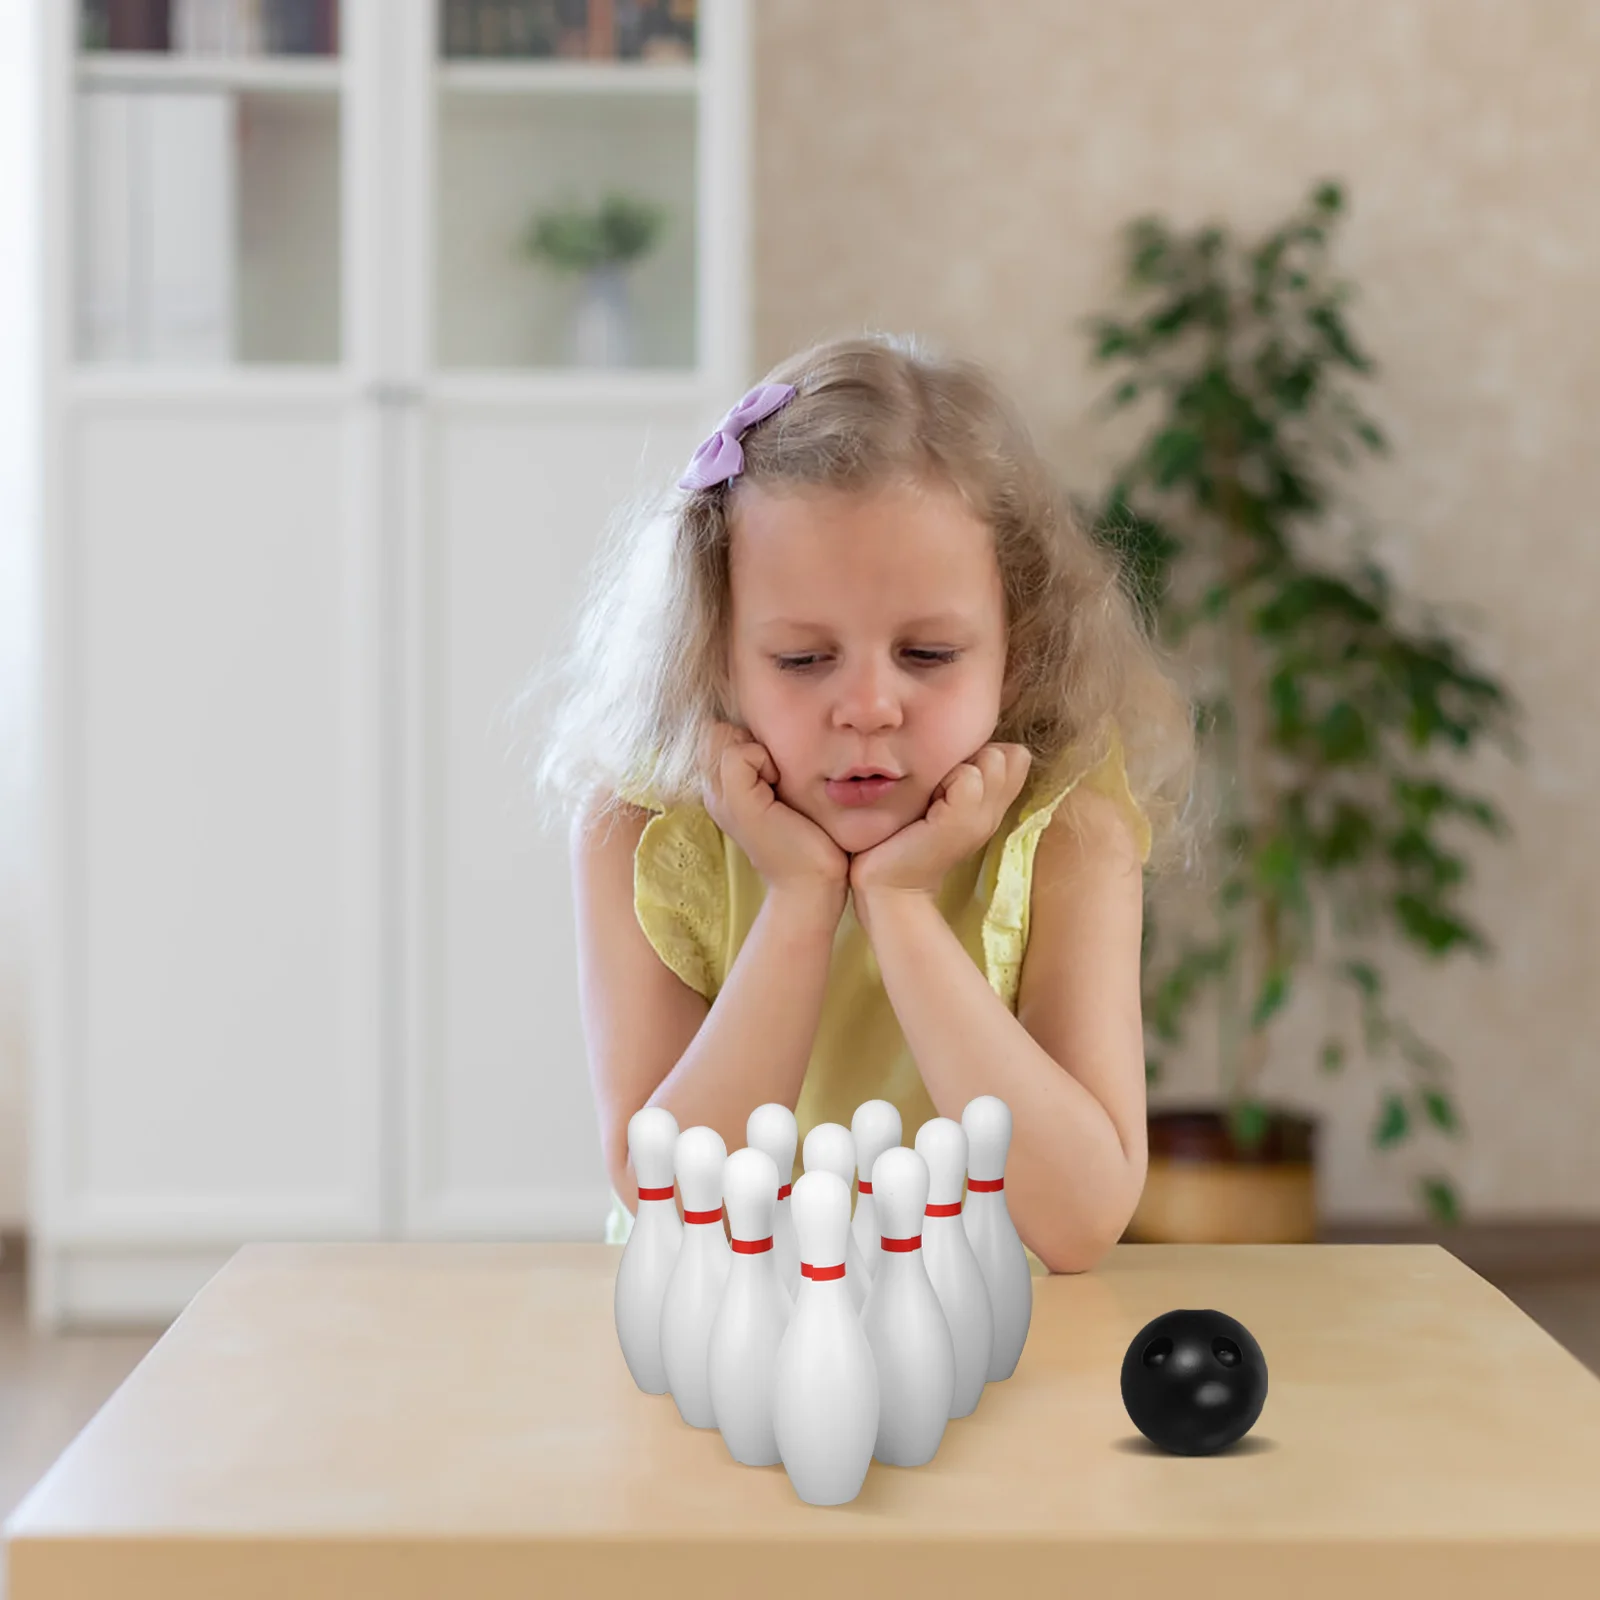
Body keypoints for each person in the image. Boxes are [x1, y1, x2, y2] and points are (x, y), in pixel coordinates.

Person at [526, 331, 1198, 1275]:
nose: (870, 708)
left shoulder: (1068, 830)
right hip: (710, 1340)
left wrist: (900, 906)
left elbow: (1080, 1219)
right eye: (803, 660)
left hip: (983, 1348)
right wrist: (800, 902)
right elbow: (672, 1200)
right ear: (711, 648)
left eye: (927, 656)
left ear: (1024, 642)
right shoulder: (639, 824)